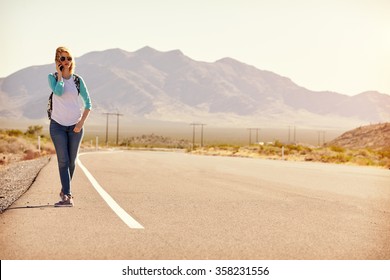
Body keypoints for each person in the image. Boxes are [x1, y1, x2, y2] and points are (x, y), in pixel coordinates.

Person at [48, 46, 92, 207]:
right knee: (63, 161)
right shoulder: (52, 78)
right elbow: (58, 92)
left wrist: (81, 123)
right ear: (57, 61)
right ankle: (67, 196)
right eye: (62, 59)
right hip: (57, 126)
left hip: (75, 127)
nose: (66, 61)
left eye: (69, 58)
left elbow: (88, 104)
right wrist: (60, 75)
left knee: (72, 162)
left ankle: (64, 190)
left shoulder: (78, 80)